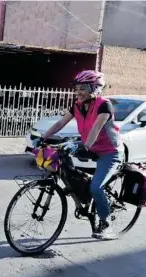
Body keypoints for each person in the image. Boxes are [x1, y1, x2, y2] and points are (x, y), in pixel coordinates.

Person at [40, 70, 123, 240]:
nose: (78, 92)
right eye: (77, 89)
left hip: (110, 152)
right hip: (91, 147)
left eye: (83, 88)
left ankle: (106, 222)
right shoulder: (77, 105)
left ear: (95, 88)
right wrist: (43, 137)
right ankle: (83, 200)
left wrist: (84, 147)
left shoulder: (104, 105)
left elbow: (96, 128)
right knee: (65, 165)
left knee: (96, 187)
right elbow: (61, 123)